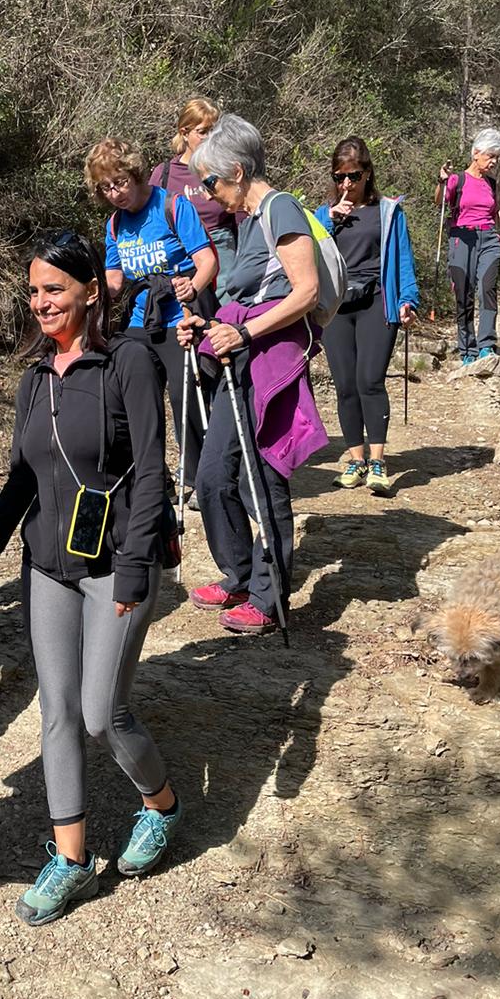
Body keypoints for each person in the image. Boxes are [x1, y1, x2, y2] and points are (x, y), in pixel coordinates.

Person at [0, 232, 179, 926]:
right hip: (46, 566)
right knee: (57, 713)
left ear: (88, 290)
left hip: (115, 566)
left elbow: (149, 475)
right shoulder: (37, 377)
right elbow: (20, 484)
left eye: (55, 288)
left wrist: (137, 568)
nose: (42, 302)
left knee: (102, 714)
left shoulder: (128, 361)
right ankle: (71, 858)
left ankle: (160, 804)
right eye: (34, 291)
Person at [179, 114, 327, 635]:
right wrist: (206, 326)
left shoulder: (280, 208)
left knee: (262, 477)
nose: (208, 194)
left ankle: (269, 596)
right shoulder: (247, 220)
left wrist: (243, 334)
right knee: (213, 476)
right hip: (237, 357)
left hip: (269, 361)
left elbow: (305, 291)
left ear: (237, 172)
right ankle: (238, 573)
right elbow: (246, 295)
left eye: (211, 183)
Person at [85, 137, 217, 491]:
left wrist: (194, 285)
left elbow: (207, 261)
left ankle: (199, 477)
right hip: (140, 319)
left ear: (137, 173)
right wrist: (93, 292)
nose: (115, 193)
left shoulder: (172, 206)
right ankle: (149, 474)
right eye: (106, 187)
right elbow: (115, 278)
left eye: (121, 182)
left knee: (183, 395)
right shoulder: (115, 225)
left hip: (180, 317)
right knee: (131, 397)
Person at [314, 136, 419, 496]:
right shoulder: (321, 214)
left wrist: (408, 299)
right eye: (340, 176)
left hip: (377, 300)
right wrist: (329, 220)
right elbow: (310, 254)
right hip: (337, 307)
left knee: (370, 381)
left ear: (368, 173)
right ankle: (355, 460)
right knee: (345, 385)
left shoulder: (389, 211)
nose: (347, 184)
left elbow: (403, 258)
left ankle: (378, 461)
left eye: (354, 176)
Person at [435, 129, 500, 364]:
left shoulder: (491, 182)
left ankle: (486, 345)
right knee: (463, 294)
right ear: (476, 153)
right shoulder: (458, 179)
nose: (494, 161)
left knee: (487, 289)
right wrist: (441, 181)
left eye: (497, 157)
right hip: (462, 238)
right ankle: (467, 349)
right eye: (490, 156)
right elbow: (439, 201)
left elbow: (495, 217)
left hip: (489, 239)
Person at [149, 97, 240, 288]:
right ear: (184, 132)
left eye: (214, 131)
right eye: (202, 132)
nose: (209, 138)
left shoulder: (225, 168)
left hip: (223, 251)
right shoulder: (164, 174)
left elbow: (241, 213)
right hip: (181, 254)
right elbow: (152, 219)